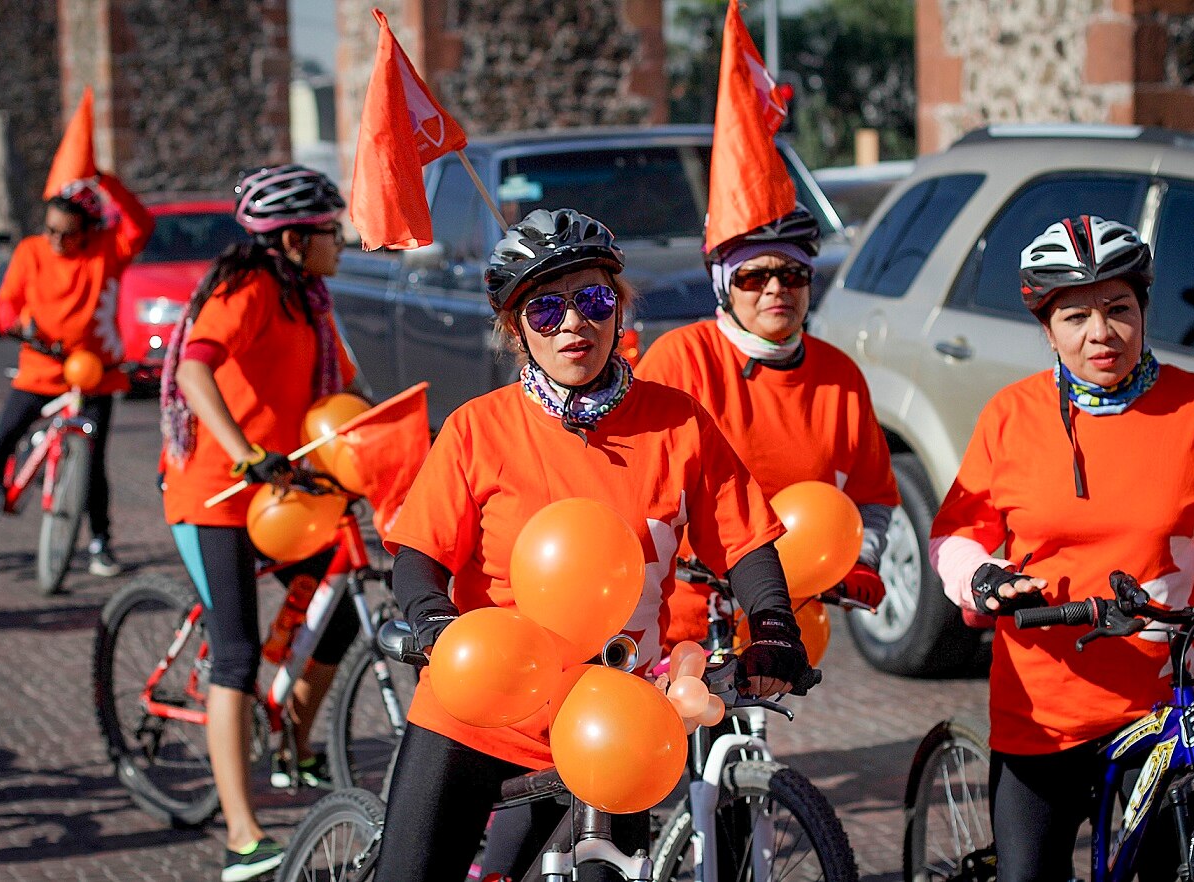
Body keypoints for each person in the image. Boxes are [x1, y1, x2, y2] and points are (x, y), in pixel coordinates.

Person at [372, 208, 814, 882]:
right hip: (477, 716)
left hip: (613, 720)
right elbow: (418, 558)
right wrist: (433, 620)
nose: (573, 323)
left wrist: (775, 626)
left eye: (594, 299)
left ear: (619, 308)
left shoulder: (679, 422)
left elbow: (744, 540)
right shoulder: (475, 430)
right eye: (544, 309)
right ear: (516, 329)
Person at [929, 216, 1194, 881]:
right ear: (1046, 328)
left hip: (1171, 700)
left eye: (1118, 309)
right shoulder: (1010, 414)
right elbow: (956, 532)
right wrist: (981, 579)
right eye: (1075, 317)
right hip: (1045, 702)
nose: (1100, 334)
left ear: (1142, 309)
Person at [158, 164, 364, 882]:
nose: (341, 240)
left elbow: (348, 388)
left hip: (285, 489)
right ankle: (240, 838)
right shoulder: (243, 288)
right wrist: (243, 452)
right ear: (295, 238)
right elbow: (193, 370)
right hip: (217, 492)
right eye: (331, 230)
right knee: (237, 654)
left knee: (341, 603)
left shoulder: (310, 298)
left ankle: (294, 746)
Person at [636, 205, 900, 648]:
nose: (777, 289)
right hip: (680, 618)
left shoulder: (841, 374)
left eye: (793, 274)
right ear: (724, 286)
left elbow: (872, 495)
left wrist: (862, 558)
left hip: (783, 618)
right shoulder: (678, 358)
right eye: (753, 277)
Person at [0, 174, 154, 576]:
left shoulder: (106, 252)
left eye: (68, 233)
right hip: (40, 371)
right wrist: (14, 324)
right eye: (51, 230)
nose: (57, 240)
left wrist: (105, 180)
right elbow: (7, 301)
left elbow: (141, 224)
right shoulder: (31, 252)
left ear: (89, 231)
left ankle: (100, 542)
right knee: (6, 436)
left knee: (93, 460)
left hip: (93, 376)